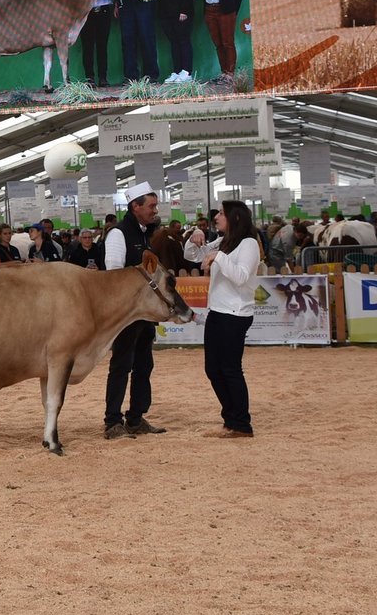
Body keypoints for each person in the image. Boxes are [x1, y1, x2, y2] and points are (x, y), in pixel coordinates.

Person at [184, 200, 262, 438]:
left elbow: (240, 276)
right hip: (217, 312)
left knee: (230, 369)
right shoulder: (224, 242)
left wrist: (218, 257)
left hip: (236, 314)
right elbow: (192, 255)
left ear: (234, 217)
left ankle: (241, 424)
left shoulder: (249, 244)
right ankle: (230, 419)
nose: (216, 217)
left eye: (221, 213)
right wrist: (193, 235)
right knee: (213, 369)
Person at [102, 182, 165, 439]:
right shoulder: (118, 234)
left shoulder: (143, 232)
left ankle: (136, 418)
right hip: (127, 314)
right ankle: (112, 422)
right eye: (151, 205)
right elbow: (114, 275)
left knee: (143, 365)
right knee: (121, 365)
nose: (155, 210)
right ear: (135, 206)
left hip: (145, 313)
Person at [201, 0, 243, 83]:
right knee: (218, 44)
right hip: (210, 10)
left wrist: (232, 12)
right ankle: (223, 72)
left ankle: (230, 73)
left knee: (227, 43)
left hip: (225, 11)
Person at [78, 0, 114, 87]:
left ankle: (103, 78)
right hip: (87, 12)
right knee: (87, 46)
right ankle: (89, 78)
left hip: (104, 10)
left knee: (102, 46)